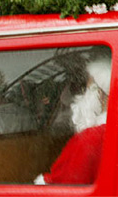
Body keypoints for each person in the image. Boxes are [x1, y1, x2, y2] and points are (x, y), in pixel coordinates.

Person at [35, 56, 111, 185]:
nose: (82, 95)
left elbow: (61, 185)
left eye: (87, 87)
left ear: (99, 93)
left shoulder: (90, 139)